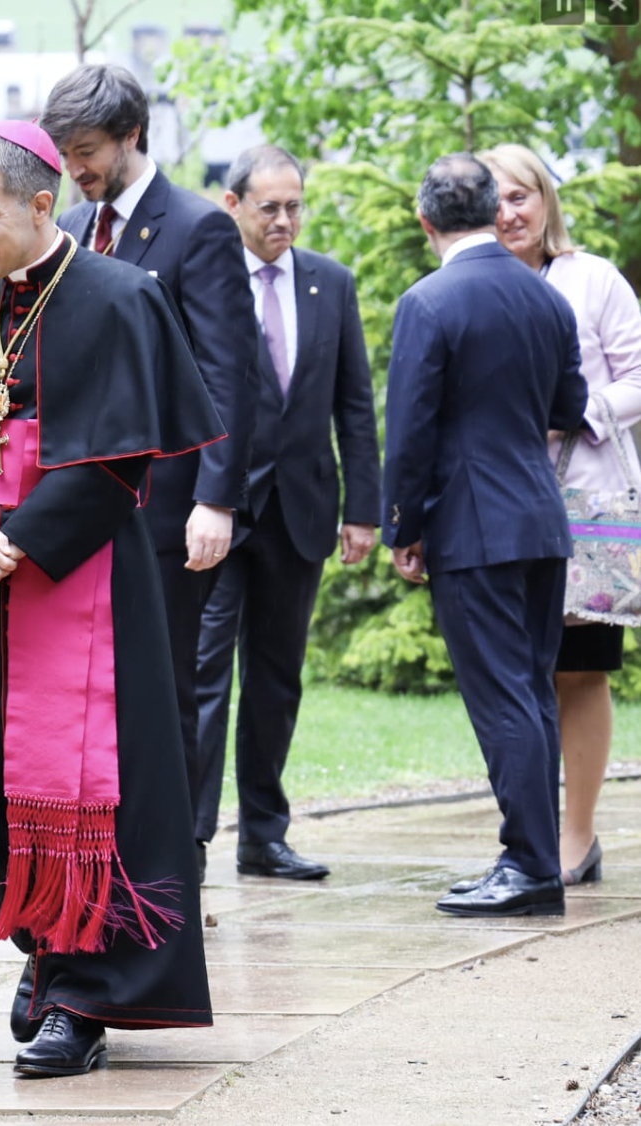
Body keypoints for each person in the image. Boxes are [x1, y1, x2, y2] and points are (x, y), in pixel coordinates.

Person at [0, 120, 218, 1078]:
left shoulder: (121, 298)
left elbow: (119, 458)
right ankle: (43, 935)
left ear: (42, 205)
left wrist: (19, 543)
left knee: (85, 780)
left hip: (79, 576)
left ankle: (81, 990)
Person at [39, 65, 259, 882]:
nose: (74, 167)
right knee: (90, 693)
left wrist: (216, 499)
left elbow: (231, 376)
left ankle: (173, 866)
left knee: (165, 695)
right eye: (64, 151)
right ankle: (100, 858)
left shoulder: (198, 229)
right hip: (76, 512)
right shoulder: (65, 224)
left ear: (133, 136)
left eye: (88, 150)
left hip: (169, 512)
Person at [383, 153, 587, 918]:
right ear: (491, 213)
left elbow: (410, 429)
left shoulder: (429, 302)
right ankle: (534, 858)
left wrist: (404, 524)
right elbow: (569, 402)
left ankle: (531, 867)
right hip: (540, 517)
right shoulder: (545, 298)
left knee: (505, 700)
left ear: (426, 218)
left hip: (474, 525)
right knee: (531, 694)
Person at [193, 146, 381, 881]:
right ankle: (192, 838)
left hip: (301, 511)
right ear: (233, 205)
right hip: (218, 512)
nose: (284, 219)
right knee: (205, 677)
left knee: (277, 679)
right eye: (269, 206)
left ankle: (264, 835)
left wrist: (362, 509)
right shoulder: (204, 282)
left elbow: (354, 405)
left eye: (294, 205)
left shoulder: (329, 283)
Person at [474, 142, 641, 888]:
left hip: (586, 503)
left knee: (579, 671)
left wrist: (578, 415)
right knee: (519, 674)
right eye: (495, 199)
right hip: (500, 505)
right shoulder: (470, 282)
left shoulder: (592, 279)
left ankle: (577, 837)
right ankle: (530, 837)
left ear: (545, 201)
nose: (509, 212)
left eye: (521, 196)